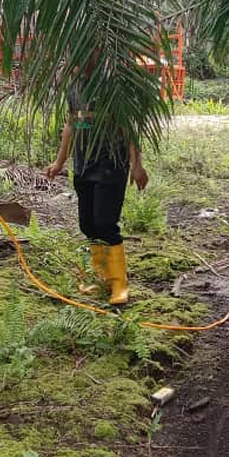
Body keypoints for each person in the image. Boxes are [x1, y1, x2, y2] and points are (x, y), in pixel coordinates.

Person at [44, 65, 149, 305]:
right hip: (84, 166)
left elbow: (129, 129)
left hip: (112, 164)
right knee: (88, 225)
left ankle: (119, 283)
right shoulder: (75, 88)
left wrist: (137, 165)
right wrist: (59, 162)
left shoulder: (114, 85)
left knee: (105, 224)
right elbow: (72, 125)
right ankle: (102, 278)